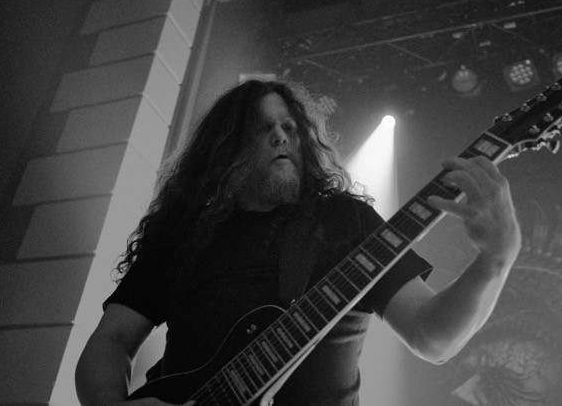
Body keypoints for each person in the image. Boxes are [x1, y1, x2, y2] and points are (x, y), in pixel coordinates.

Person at [75, 79, 521, 405]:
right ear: (224, 148)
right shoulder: (182, 234)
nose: (281, 136)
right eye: (261, 127)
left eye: (290, 127)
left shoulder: (346, 220)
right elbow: (111, 340)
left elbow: (433, 337)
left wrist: (496, 260)